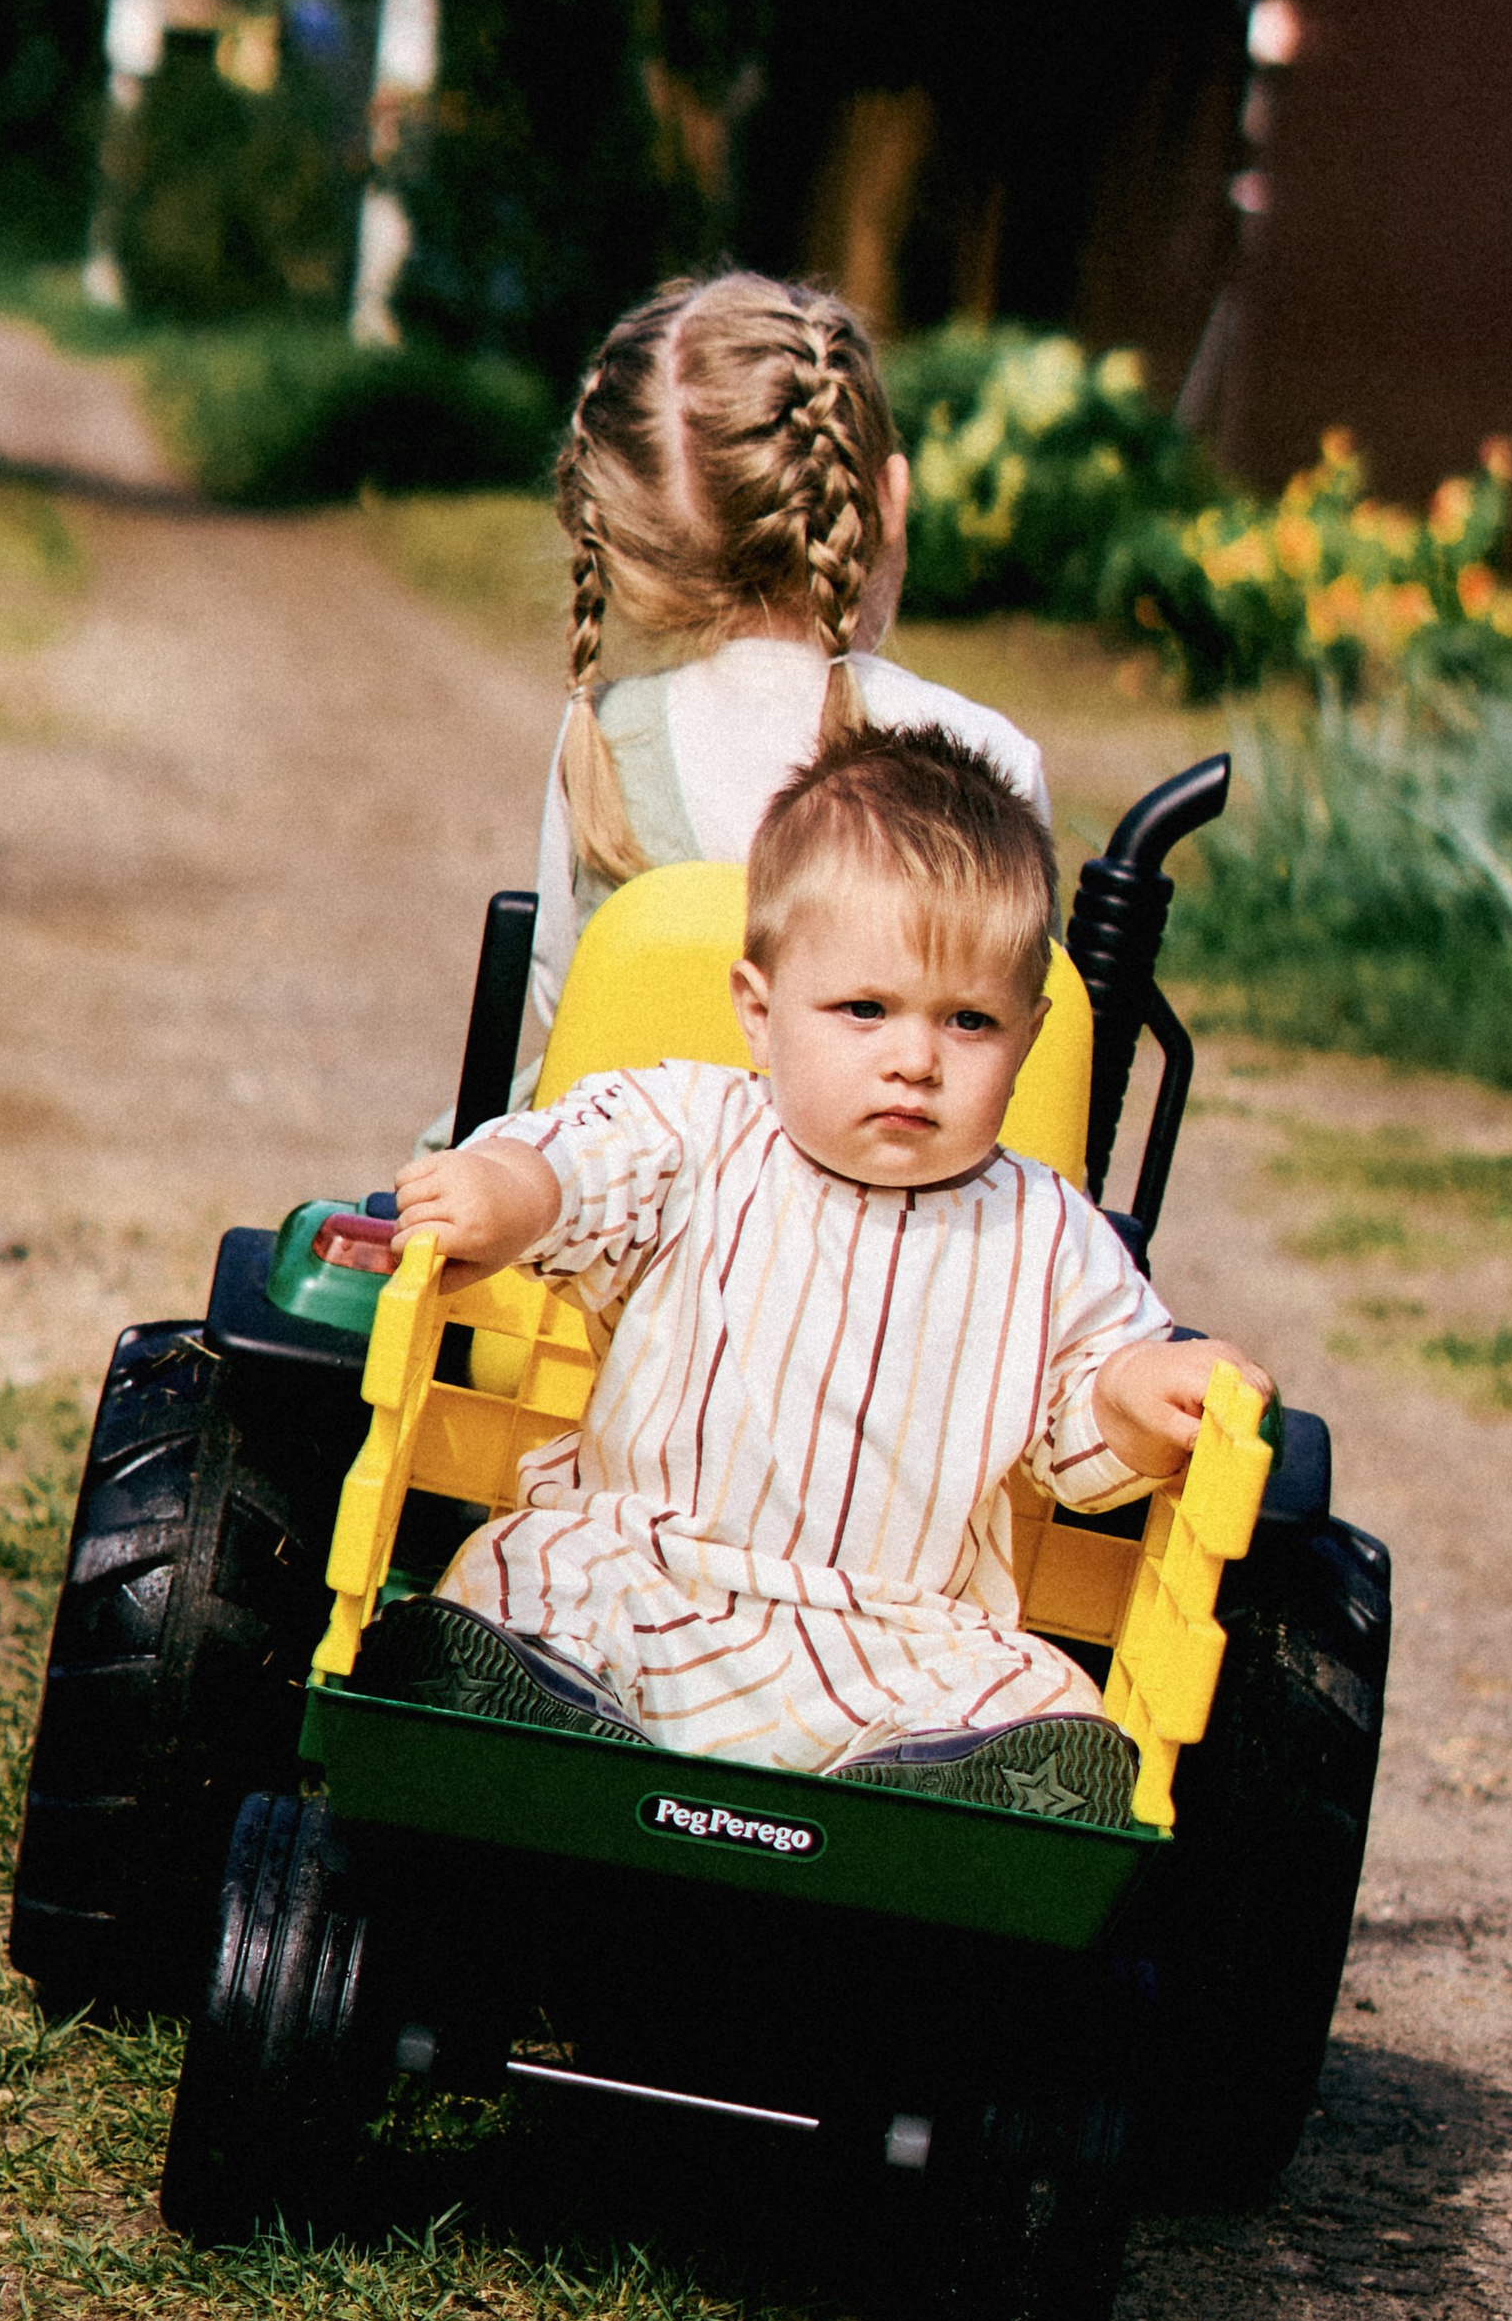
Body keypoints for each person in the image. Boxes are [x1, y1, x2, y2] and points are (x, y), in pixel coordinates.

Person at [363, 722, 1271, 1823]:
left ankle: (936, 1798)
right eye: (865, 1010)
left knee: (1048, 1695)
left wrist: (1137, 1395)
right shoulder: (697, 1130)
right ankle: (551, 1716)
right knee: (525, 1562)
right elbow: (580, 1166)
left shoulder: (1047, 1231)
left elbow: (1078, 1423)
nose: (914, 1059)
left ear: (1027, 1039)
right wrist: (503, 1192)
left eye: (969, 1022)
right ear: (759, 1012)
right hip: (653, 1576)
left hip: (901, 1639)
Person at [528, 269, 1049, 1032]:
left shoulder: (601, 744)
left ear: (629, 542)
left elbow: (563, 1005)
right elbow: (1027, 1043)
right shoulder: (989, 760)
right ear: (889, 501)